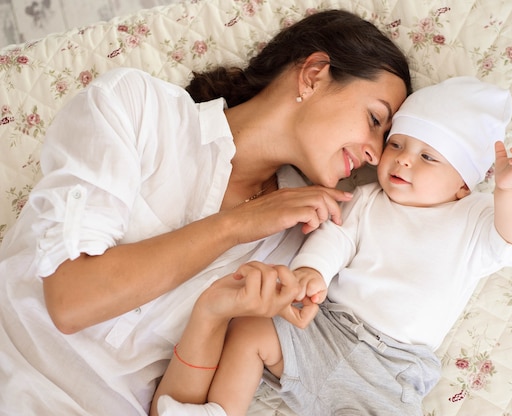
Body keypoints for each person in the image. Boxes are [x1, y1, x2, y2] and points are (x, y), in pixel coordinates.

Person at [0, 9, 412, 415]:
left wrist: (210, 314)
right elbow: (71, 301)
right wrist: (234, 226)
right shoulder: (137, 109)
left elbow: (171, 409)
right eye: (375, 119)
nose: (376, 154)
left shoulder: (299, 244)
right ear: (314, 73)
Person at [154, 76, 512, 416]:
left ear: (463, 183)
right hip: (326, 328)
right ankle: (219, 411)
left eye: (427, 157)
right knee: (249, 331)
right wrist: (311, 271)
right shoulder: (367, 199)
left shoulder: (474, 218)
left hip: (392, 367)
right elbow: (335, 238)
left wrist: (510, 190)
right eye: (398, 145)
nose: (404, 161)